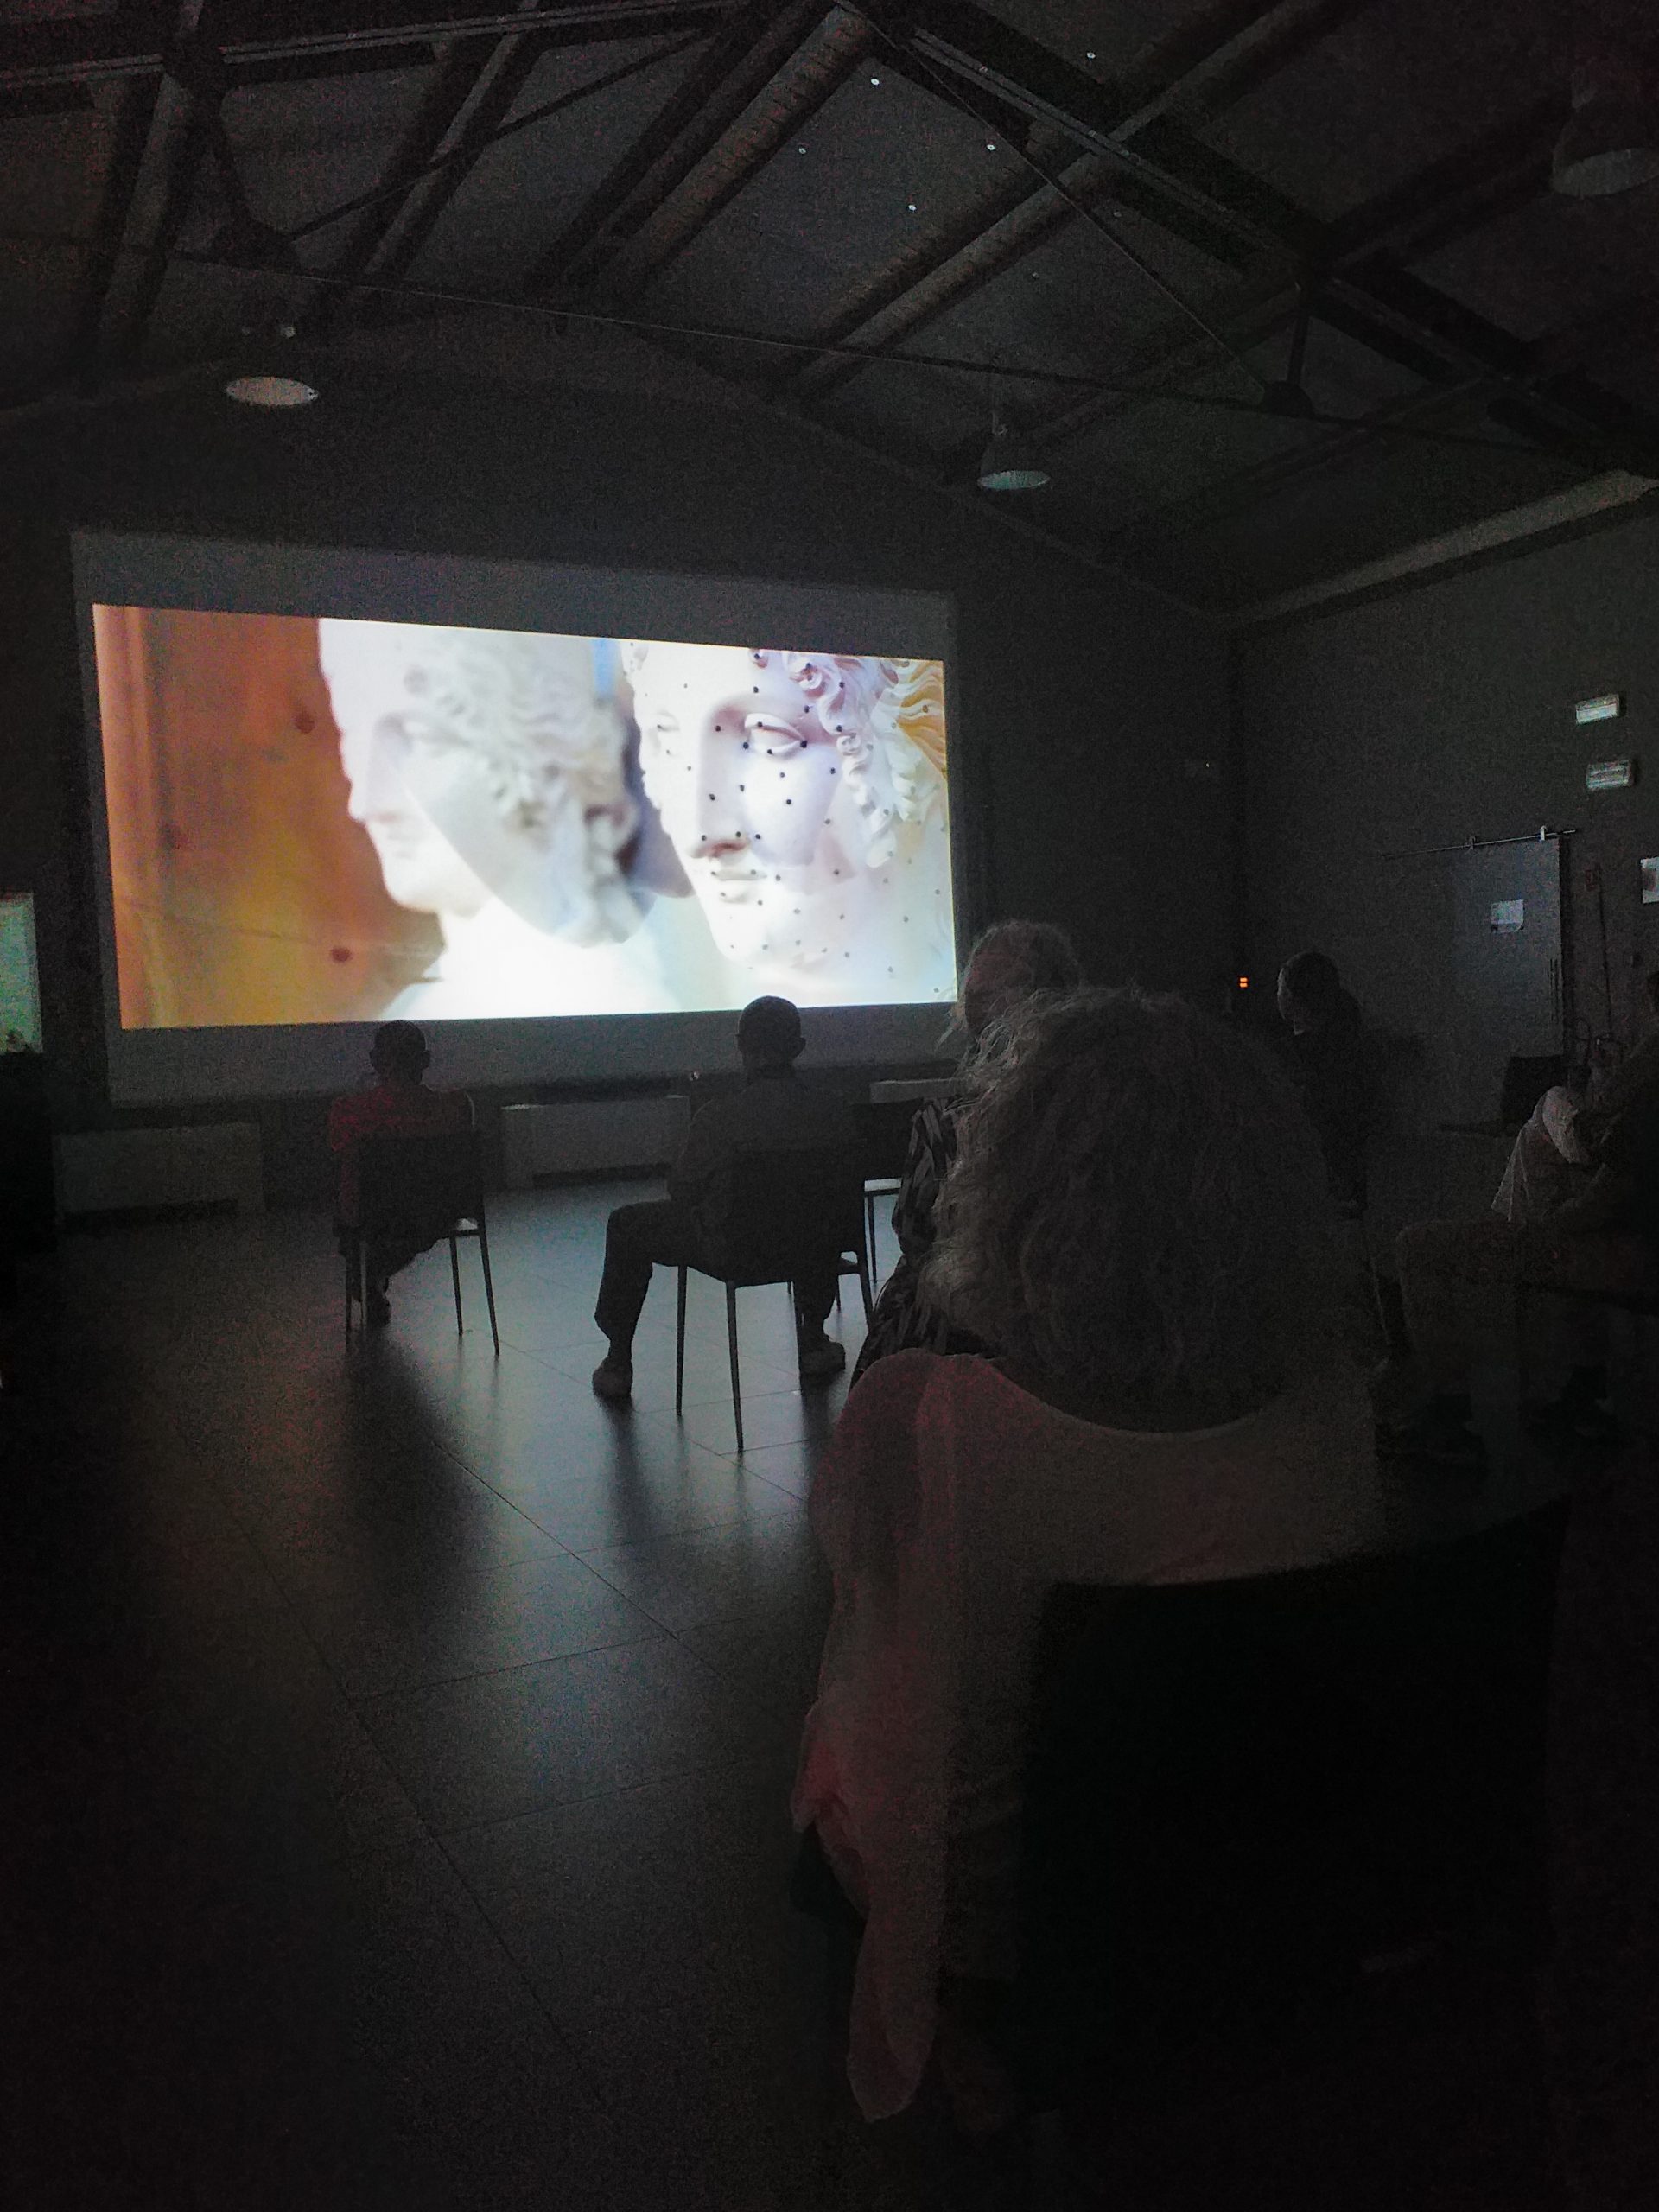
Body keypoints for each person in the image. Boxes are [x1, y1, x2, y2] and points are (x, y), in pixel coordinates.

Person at [792, 989, 1385, 2128]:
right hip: (1269, 1894)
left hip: (1007, 1935)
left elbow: (878, 1699)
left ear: (1012, 1190)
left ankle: (955, 2055)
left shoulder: (930, 1417)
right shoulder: (1339, 1410)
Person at [321, 620, 728, 1018]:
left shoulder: (585, 1007)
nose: (365, 803)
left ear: (545, 750)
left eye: (422, 737)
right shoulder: (451, 1004)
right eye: (352, 737)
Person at [1386, 967, 1659, 1458]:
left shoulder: (1648, 1087)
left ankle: (1450, 1414)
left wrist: (1536, 1232)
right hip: (1615, 1231)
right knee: (1542, 1126)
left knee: (1416, 1246)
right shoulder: (1640, 1098)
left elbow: (1603, 1203)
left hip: (1624, 1251)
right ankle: (1579, 1394)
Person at [621, 643, 954, 1006]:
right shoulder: (631, 985)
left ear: (894, 757)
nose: (699, 834)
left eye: (767, 736)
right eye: (667, 740)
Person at [851, 918, 1084, 1380]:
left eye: (990, 992)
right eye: (972, 992)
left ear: (1041, 998)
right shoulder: (1110, 1103)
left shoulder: (947, 1126)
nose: (973, 1003)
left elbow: (917, 1235)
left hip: (970, 1338)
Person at [591, 996, 857, 1399]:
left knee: (626, 1224)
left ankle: (618, 1360)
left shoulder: (719, 1117)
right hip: (817, 1249)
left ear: (740, 1046)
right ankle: (814, 1338)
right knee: (809, 1221)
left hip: (736, 1251)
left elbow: (682, 1191)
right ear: (799, 1047)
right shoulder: (834, 1112)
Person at [327, 1021, 474, 1326]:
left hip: (369, 1215)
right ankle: (372, 1276)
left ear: (375, 1061)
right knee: (406, 1217)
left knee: (356, 1213)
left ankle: (368, 1275)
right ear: (425, 1060)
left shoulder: (349, 1111)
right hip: (433, 1215)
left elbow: (341, 1158)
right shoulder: (456, 1108)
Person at [1276, 949, 1370, 1210]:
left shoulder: (1300, 1058)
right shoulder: (1350, 1043)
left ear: (1292, 997)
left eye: (1280, 989)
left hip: (1318, 1178)